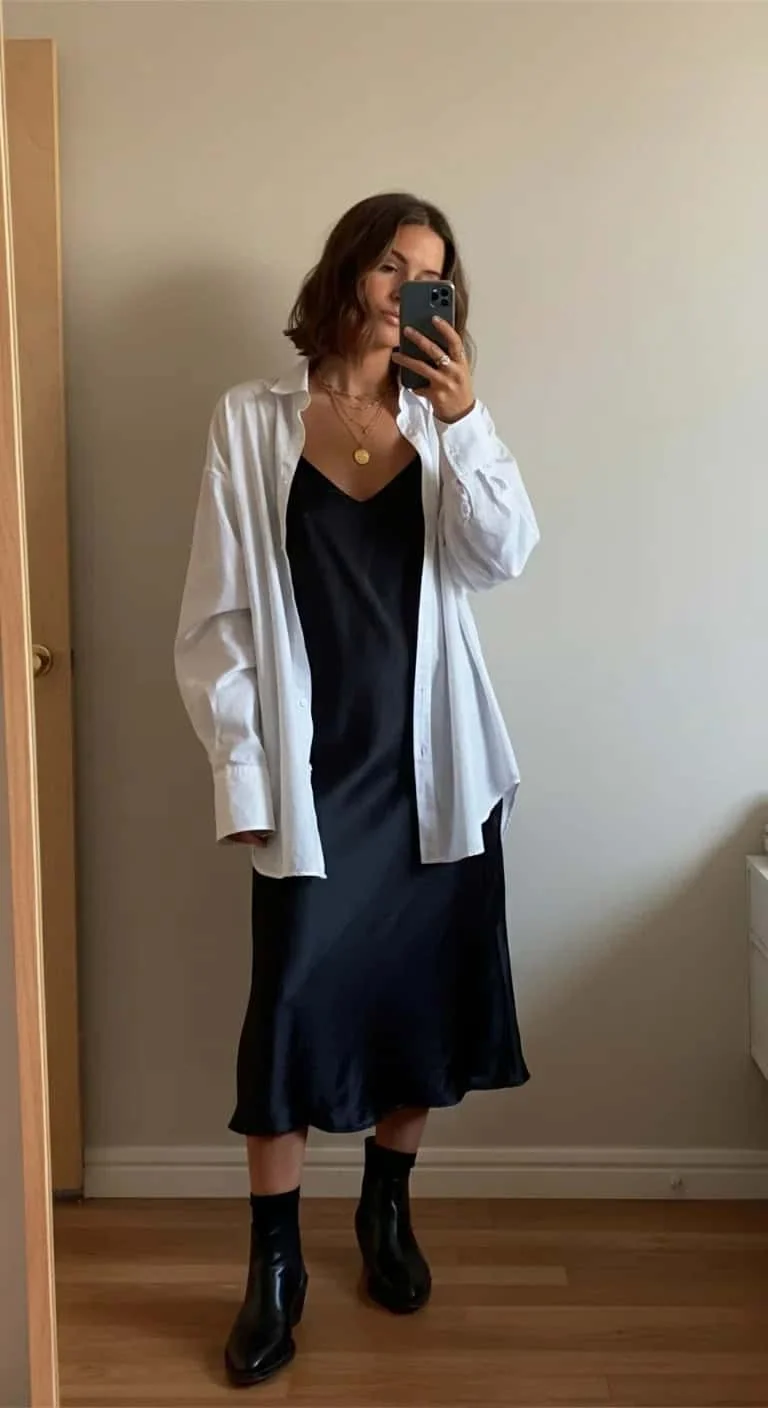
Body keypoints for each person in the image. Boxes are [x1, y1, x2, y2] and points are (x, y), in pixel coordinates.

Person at [175, 192, 539, 1389]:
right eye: (391, 264)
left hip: (434, 771)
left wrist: (467, 419)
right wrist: (239, 770)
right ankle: (274, 1268)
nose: (406, 290)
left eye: (431, 275)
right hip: (314, 779)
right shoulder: (250, 421)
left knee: (418, 1003)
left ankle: (386, 1208)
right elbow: (221, 619)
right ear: (348, 271)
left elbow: (505, 555)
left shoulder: (445, 422)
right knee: (287, 1014)